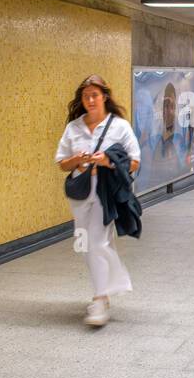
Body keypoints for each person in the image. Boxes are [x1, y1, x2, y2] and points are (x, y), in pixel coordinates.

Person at [55, 75, 141, 327]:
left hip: (106, 190)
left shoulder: (120, 126)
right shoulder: (74, 128)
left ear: (104, 96)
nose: (90, 100)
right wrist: (77, 160)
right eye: (85, 96)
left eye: (95, 95)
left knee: (98, 241)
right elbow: (62, 163)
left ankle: (100, 298)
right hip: (81, 191)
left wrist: (108, 161)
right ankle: (105, 289)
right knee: (89, 243)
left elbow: (134, 161)